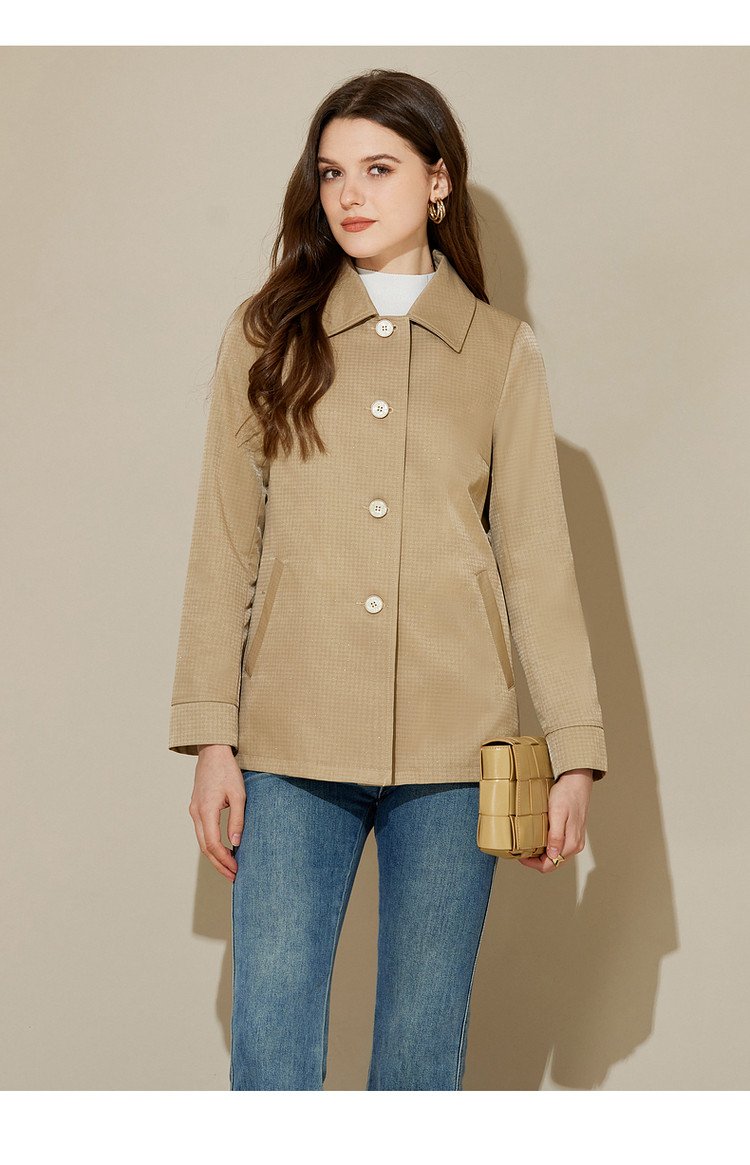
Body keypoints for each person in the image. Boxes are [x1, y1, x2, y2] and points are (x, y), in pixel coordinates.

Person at [169, 69, 607, 1091]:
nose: (350, 194)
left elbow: (538, 562)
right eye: (332, 173)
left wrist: (575, 755)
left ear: (438, 181)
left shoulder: (500, 353)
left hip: (458, 752)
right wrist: (212, 738)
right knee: (272, 1048)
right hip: (290, 743)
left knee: (420, 1053)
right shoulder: (265, 337)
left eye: (379, 168)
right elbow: (223, 546)